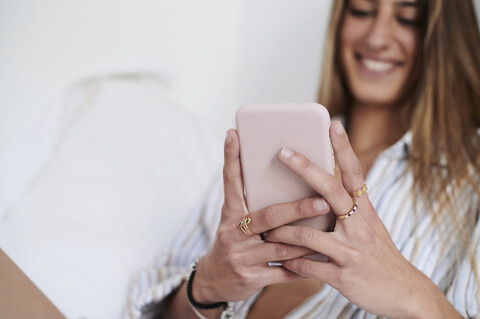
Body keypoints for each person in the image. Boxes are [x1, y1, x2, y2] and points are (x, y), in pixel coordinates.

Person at [125, 0, 480, 318]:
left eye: (408, 18)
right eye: (362, 11)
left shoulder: (471, 176)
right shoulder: (265, 151)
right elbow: (149, 307)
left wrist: (409, 293)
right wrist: (205, 287)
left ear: (445, 39)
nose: (376, 37)